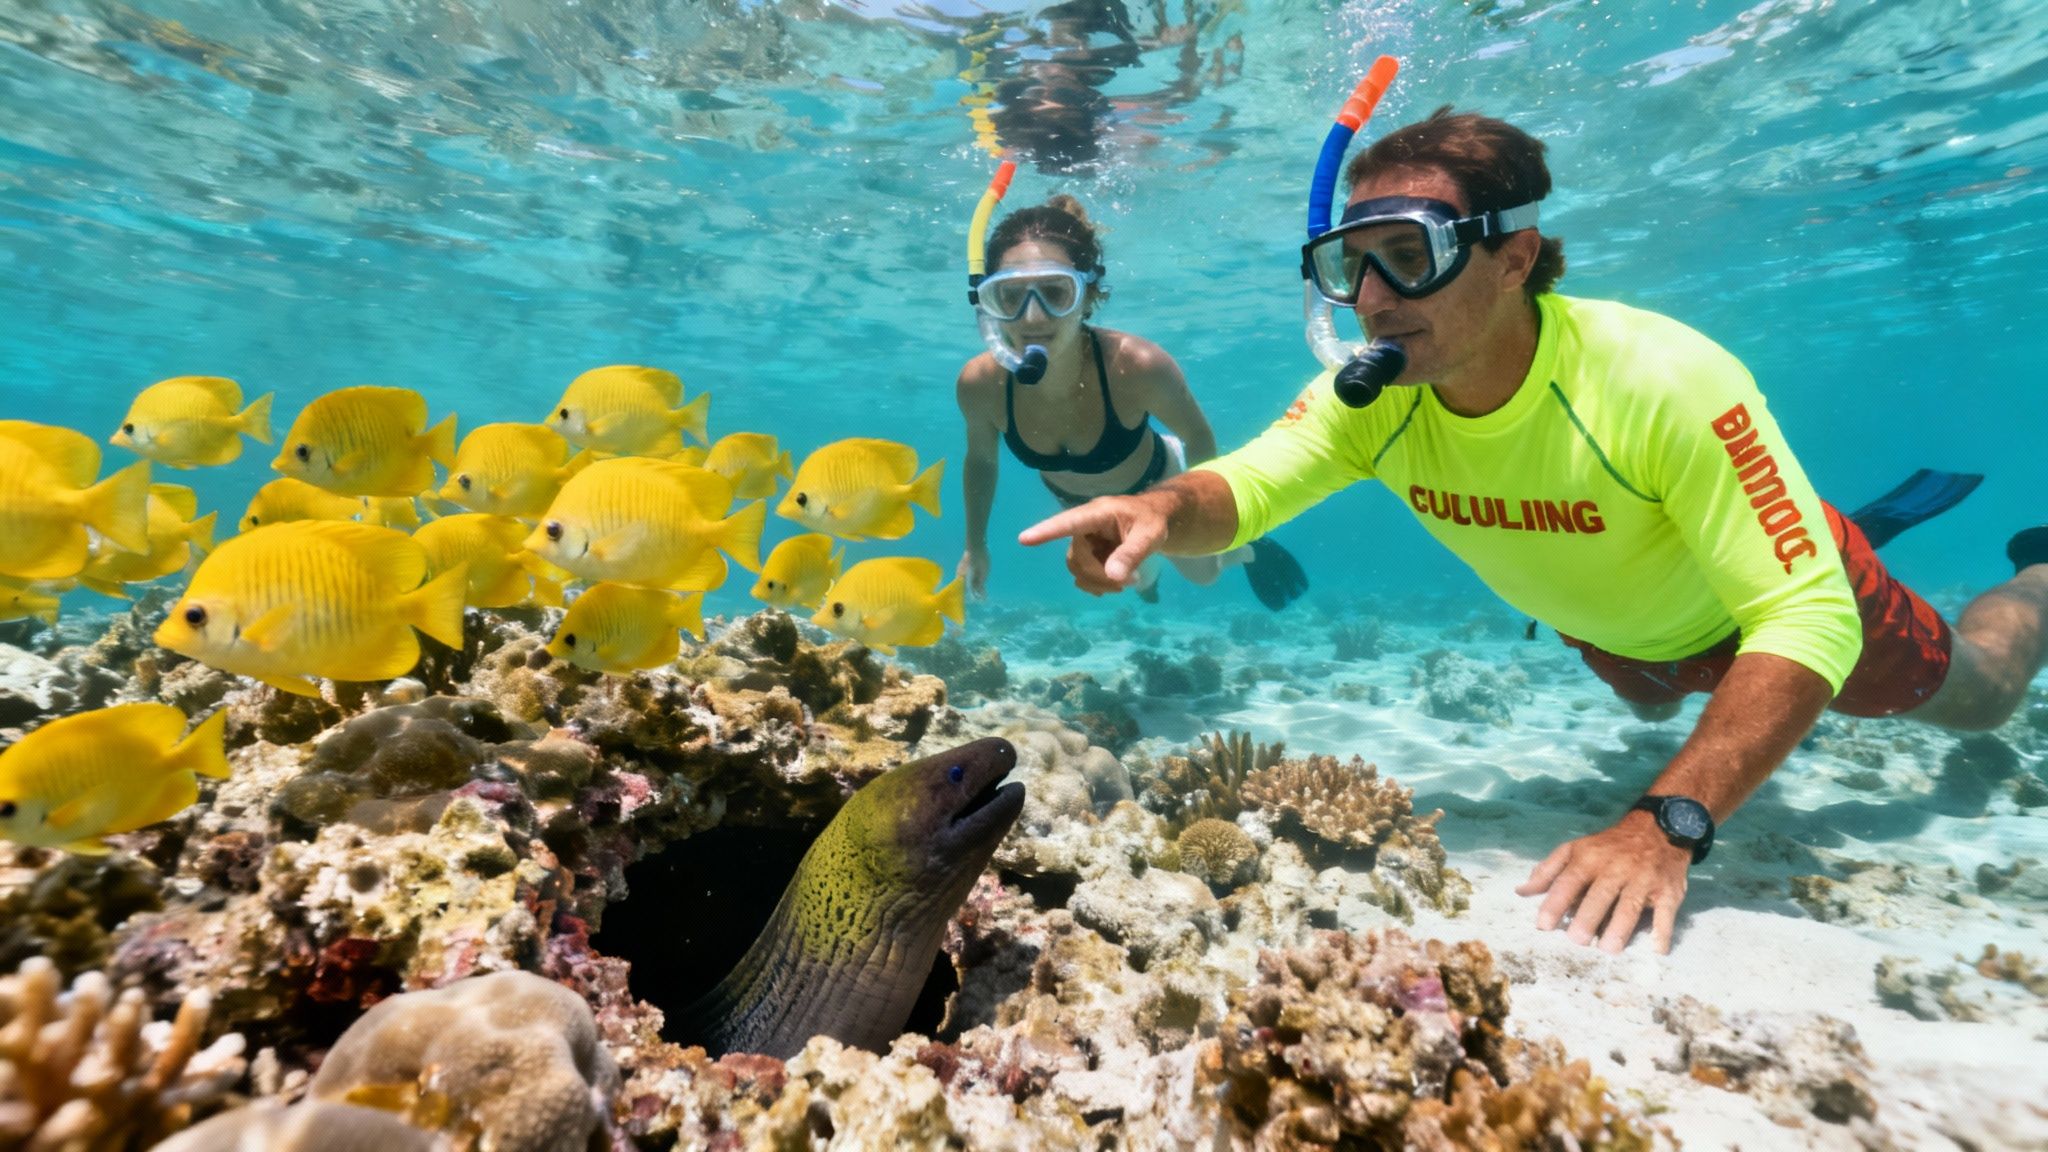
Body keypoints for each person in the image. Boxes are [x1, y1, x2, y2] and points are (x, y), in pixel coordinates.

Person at [1019, 107, 2048, 954]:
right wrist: (1159, 507)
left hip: (1780, 617)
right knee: (1654, 710)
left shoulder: (1659, 378)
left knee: (1981, 694)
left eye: (1406, 257)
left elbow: (1803, 614)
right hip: (1616, 635)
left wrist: (1668, 825)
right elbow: (1245, 489)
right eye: (1349, 265)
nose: (1372, 299)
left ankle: (2037, 575)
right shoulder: (1371, 395)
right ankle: (1737, 551)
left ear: (1512, 259)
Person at [956, 193, 1306, 608]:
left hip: (1158, 485)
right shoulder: (980, 385)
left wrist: (1217, 522)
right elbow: (981, 460)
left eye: (1056, 291)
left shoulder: (1137, 366)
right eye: (1011, 296)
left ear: (1088, 296)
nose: (1033, 317)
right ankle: (1149, 580)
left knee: (1205, 576)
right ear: (988, 306)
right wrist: (975, 545)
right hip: (1079, 506)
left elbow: (1197, 435)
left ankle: (1250, 550)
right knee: (1130, 579)